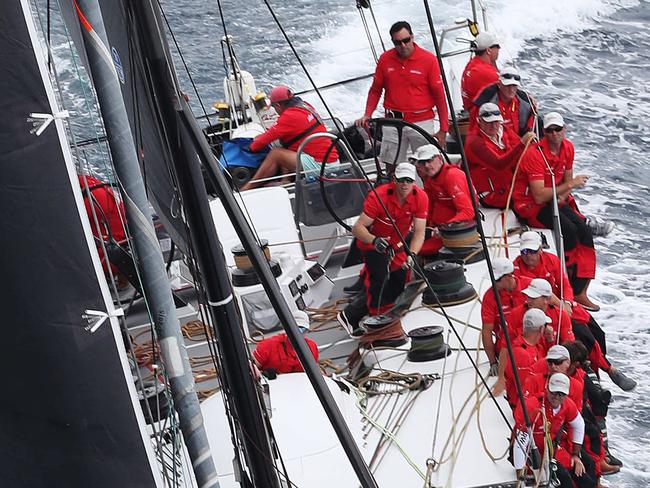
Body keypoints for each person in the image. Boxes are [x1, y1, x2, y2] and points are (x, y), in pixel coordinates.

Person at [514, 231, 636, 392]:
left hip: (560, 306)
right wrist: (559, 304)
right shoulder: (517, 270)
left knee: (596, 332)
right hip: (541, 310)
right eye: (524, 252)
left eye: (532, 251)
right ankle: (606, 370)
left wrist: (568, 302)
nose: (528, 256)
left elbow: (564, 284)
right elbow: (539, 294)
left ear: (540, 249)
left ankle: (602, 369)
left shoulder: (552, 261)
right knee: (582, 334)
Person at [513, 112, 606, 311]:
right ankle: (568, 286)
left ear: (564, 129)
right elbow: (538, 196)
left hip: (555, 200)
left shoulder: (568, 148)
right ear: (544, 133)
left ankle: (581, 291)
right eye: (549, 130)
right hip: (530, 205)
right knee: (569, 234)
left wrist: (565, 193)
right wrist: (569, 186)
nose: (554, 134)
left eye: (557, 129)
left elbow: (566, 182)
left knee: (585, 233)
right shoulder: (535, 155)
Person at [337, 162, 428, 336]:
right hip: (373, 244)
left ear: (414, 181)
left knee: (398, 280)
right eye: (401, 180)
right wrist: (375, 240)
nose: (405, 184)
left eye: (409, 180)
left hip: (397, 245)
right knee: (378, 281)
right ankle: (370, 319)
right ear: (394, 179)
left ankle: (371, 314)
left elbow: (419, 232)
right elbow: (358, 228)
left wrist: (413, 254)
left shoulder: (420, 198)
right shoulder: (378, 197)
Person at [356, 20, 449, 171]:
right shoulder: (385, 59)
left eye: (406, 40)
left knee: (427, 168)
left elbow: (439, 96)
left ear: (412, 37)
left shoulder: (429, 60)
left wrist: (443, 129)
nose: (403, 46)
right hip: (393, 121)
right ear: (393, 42)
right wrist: (367, 114)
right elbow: (375, 90)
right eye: (398, 42)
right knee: (391, 166)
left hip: (422, 121)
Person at [242, 85, 339, 190]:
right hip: (332, 161)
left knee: (276, 153)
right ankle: (285, 181)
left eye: (274, 107)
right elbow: (289, 131)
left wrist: (249, 147)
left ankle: (246, 188)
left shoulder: (289, 117)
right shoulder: (305, 106)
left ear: (278, 105)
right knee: (285, 144)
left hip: (322, 167)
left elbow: (257, 145)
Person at [513, 373, 595, 488]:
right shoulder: (532, 407)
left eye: (561, 394)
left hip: (551, 451)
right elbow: (520, 443)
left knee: (587, 473)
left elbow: (579, 425)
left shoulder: (568, 405)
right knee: (565, 479)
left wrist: (575, 455)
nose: (556, 397)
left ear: (566, 395)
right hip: (530, 454)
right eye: (553, 392)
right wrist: (520, 475)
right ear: (547, 389)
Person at [464, 102, 536, 208]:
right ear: (479, 121)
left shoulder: (504, 130)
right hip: (492, 195)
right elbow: (499, 165)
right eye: (489, 122)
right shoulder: (474, 142)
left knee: (544, 192)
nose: (494, 126)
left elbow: (524, 151)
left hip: (512, 186)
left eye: (496, 121)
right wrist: (522, 143)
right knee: (537, 201)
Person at [411, 144, 474, 256]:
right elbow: (429, 206)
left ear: (439, 159)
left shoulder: (452, 176)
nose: (426, 165)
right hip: (435, 229)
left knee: (413, 250)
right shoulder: (430, 179)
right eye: (422, 162)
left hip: (452, 233)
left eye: (429, 160)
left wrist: (443, 229)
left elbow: (468, 212)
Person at [480, 257, 532, 389]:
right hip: (506, 346)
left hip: (533, 339)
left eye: (496, 280)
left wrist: (566, 304)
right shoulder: (490, 297)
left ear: (509, 276)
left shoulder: (530, 286)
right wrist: (493, 362)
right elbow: (486, 331)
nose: (494, 283)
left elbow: (550, 302)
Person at [78, 174, 127, 282]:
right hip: (117, 248)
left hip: (109, 257)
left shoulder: (93, 198)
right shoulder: (93, 185)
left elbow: (72, 222)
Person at [503, 308, 550, 408]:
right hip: (524, 407)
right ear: (541, 329)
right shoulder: (521, 354)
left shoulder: (536, 346)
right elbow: (524, 388)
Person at [470, 66, 536, 136]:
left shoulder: (526, 104)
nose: (511, 89)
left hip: (520, 143)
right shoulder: (484, 104)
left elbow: (531, 128)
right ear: (499, 84)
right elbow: (474, 130)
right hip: (493, 143)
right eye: (507, 85)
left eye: (514, 85)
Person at [252, 310, 319, 375]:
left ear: (307, 331)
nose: (298, 333)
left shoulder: (312, 347)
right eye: (294, 328)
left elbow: (314, 370)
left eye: (303, 329)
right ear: (287, 328)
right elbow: (250, 366)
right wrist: (261, 373)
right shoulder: (268, 345)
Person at [460, 31, 500, 110]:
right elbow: (509, 90)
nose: (499, 49)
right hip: (483, 115)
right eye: (497, 46)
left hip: (472, 110)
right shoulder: (486, 73)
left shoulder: (472, 64)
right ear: (488, 50)